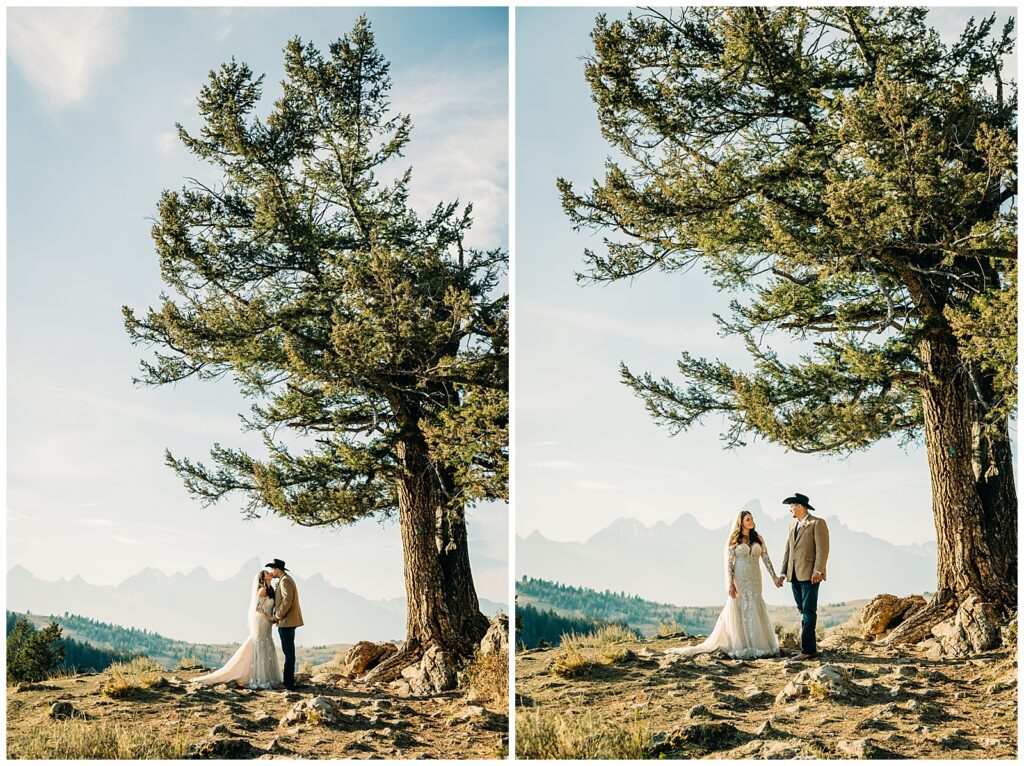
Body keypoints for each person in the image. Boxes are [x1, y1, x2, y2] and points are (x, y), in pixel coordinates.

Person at [666, 509, 782, 659]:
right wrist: (731, 584)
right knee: (740, 606)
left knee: (755, 603)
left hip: (755, 578)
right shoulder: (734, 541)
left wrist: (774, 578)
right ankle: (742, 644)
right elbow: (729, 564)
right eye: (748, 519)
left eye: (752, 518)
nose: (751, 521)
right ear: (741, 523)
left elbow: (766, 559)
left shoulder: (758, 538)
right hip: (740, 578)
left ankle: (758, 644)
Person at [190, 570, 282, 689]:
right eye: (266, 572)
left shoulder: (271, 590)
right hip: (262, 620)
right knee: (259, 643)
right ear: (262, 578)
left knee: (267, 643)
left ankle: (268, 676)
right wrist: (270, 618)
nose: (269, 573)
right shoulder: (262, 590)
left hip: (268, 623)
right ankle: (259, 677)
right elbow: (258, 608)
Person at [779, 492, 830, 660]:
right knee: (802, 611)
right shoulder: (791, 526)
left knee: (808, 611)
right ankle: (808, 647)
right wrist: (783, 573)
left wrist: (818, 570)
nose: (790, 510)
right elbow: (788, 551)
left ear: (799, 506)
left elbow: (823, 550)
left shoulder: (817, 523)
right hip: (794, 575)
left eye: (792, 506)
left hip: (810, 575)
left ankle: (807, 650)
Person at [265, 558, 304, 690]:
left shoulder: (285, 580)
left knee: (288, 652)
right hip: (287, 621)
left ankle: (288, 683)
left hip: (286, 621)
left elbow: (287, 600)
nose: (271, 572)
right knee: (289, 652)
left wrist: (278, 615)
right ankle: (289, 681)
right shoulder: (284, 579)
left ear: (277, 570)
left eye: (273, 569)